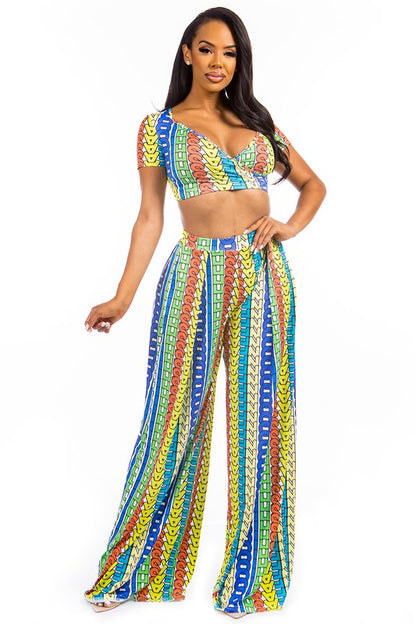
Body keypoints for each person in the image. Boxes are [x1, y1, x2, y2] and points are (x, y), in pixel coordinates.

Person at [83, 6, 326, 618]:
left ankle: (253, 579)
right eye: (209, 49)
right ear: (187, 52)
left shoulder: (258, 122)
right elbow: (149, 217)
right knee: (171, 422)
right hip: (193, 274)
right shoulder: (159, 129)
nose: (220, 62)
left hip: (263, 275)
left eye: (231, 53)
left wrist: (290, 226)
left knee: (260, 422)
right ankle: (139, 568)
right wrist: (122, 297)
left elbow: (313, 184)